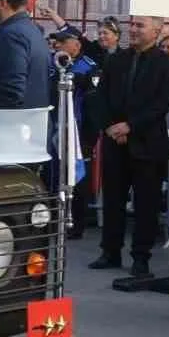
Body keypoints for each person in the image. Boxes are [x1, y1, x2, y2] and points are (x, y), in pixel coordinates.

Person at [85, 15, 169, 277]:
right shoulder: (116, 60)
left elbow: (161, 103)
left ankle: (141, 258)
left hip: (147, 143)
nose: (134, 30)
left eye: (140, 26)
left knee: (146, 204)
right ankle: (110, 251)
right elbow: (100, 97)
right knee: (113, 199)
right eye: (133, 25)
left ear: (157, 30)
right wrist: (110, 127)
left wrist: (131, 126)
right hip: (115, 142)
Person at [48, 25, 100, 237]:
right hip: (57, 126)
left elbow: (93, 101)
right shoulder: (56, 63)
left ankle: (76, 223)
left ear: (77, 44)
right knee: (55, 173)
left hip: (79, 131)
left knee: (77, 178)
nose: (58, 45)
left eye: (63, 41)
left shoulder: (89, 67)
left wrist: (90, 136)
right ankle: (54, 219)